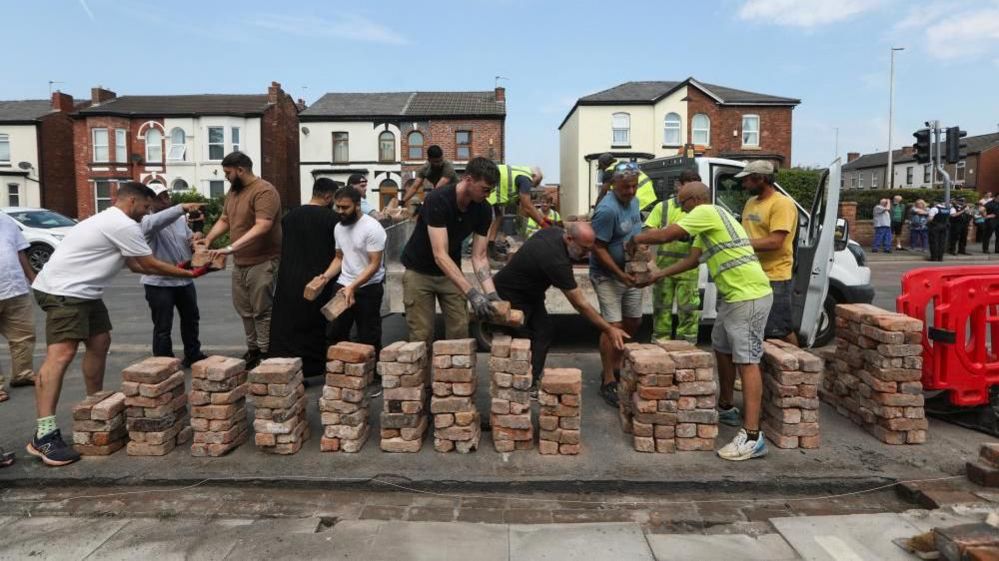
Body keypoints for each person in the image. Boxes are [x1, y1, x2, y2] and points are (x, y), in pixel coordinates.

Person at [29, 181, 212, 466]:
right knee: (61, 355)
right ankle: (44, 434)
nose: (147, 213)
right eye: (146, 207)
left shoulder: (117, 222)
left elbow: (136, 264)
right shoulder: (122, 224)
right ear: (131, 202)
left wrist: (185, 269)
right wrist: (191, 273)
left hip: (85, 292)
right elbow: (148, 264)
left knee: (100, 342)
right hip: (63, 291)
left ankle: (96, 406)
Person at [632, 181, 773, 462]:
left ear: (694, 200)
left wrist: (634, 239)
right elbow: (692, 261)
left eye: (681, 202)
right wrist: (658, 275)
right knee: (721, 348)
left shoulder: (706, 211)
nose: (679, 208)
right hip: (733, 296)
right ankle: (726, 407)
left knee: (747, 360)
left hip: (749, 295)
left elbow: (666, 235)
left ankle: (753, 436)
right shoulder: (711, 221)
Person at [494, 222, 629, 385]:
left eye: (590, 249)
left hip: (531, 294)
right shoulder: (556, 260)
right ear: (570, 239)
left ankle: (531, 380)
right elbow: (580, 303)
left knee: (544, 332)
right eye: (584, 249)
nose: (587, 254)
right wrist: (608, 329)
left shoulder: (556, 233)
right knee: (523, 340)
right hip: (510, 293)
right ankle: (517, 384)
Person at [400, 156, 500, 348]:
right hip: (419, 272)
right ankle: (421, 378)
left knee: (459, 332)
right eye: (485, 189)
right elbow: (440, 255)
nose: (488, 194)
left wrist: (491, 294)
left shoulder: (484, 210)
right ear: (468, 179)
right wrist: (472, 293)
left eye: (491, 190)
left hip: (450, 274)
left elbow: (479, 257)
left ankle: (456, 378)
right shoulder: (438, 200)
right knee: (421, 337)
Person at [204, 151, 282, 369]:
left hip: (263, 260)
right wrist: (209, 239)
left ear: (241, 170)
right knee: (244, 309)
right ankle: (254, 350)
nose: (226, 177)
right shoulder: (234, 191)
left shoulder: (264, 191)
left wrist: (230, 248)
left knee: (262, 309)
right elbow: (225, 219)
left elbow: (263, 225)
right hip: (241, 261)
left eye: (228, 172)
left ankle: (267, 352)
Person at [268, 178, 339, 378]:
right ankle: (313, 366)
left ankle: (286, 364)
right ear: (328, 196)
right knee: (315, 324)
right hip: (318, 279)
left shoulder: (290, 216)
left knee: (288, 324)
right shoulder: (332, 219)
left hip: (289, 277)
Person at [590, 162, 643, 408]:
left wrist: (642, 255)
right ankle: (608, 378)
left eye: (634, 186)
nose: (631, 191)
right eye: (626, 187)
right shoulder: (607, 210)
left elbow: (635, 233)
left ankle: (618, 365)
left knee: (633, 322)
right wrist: (619, 275)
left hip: (630, 272)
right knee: (614, 326)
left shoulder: (634, 201)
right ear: (613, 185)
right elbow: (597, 247)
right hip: (607, 275)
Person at [140, 185, 209, 367]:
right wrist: (182, 208)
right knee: (163, 326)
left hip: (184, 277)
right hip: (159, 282)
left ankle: (193, 354)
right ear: (149, 201)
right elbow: (156, 222)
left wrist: (194, 238)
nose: (165, 199)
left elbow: (187, 238)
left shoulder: (178, 220)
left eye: (166, 195)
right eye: (160, 197)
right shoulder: (145, 221)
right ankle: (164, 363)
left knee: (191, 319)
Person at [316, 186, 387, 358]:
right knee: (334, 333)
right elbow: (339, 258)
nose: (340, 211)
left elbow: (374, 264)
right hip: (343, 285)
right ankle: (337, 373)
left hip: (368, 287)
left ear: (357, 205)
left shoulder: (373, 228)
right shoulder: (339, 227)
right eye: (337, 207)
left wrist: (353, 287)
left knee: (368, 336)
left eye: (345, 207)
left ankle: (372, 374)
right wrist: (325, 277)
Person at [739, 161, 799, 346]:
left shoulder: (782, 204)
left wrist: (738, 245)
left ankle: (797, 368)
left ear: (761, 179)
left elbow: (776, 242)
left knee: (780, 330)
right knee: (757, 329)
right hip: (751, 274)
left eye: (747, 180)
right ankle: (767, 372)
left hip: (775, 276)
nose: (744, 184)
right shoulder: (750, 202)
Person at [645, 169, 701, 343]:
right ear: (679, 186)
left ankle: (687, 346)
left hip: (689, 271)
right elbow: (648, 231)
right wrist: (670, 232)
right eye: (687, 186)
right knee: (661, 309)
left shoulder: (700, 209)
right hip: (664, 268)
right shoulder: (663, 207)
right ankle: (661, 345)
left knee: (689, 310)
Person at [0, 211, 37, 400]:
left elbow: (20, 251)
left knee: (23, 335)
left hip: (14, 288)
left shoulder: (5, 219)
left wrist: (32, 278)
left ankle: (22, 374)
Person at [485, 165, 547, 261]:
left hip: (492, 192)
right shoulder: (526, 179)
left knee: (498, 217)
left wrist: (544, 218)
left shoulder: (519, 174)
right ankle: (485, 257)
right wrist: (543, 224)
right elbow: (527, 206)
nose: (533, 186)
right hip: (487, 192)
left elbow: (527, 205)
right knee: (488, 222)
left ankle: (491, 251)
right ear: (533, 175)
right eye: (536, 182)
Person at [596, 153, 657, 218]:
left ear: (603, 164)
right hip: (651, 198)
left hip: (638, 201)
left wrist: (596, 211)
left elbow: (602, 194)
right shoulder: (626, 165)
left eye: (601, 168)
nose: (602, 170)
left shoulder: (610, 171)